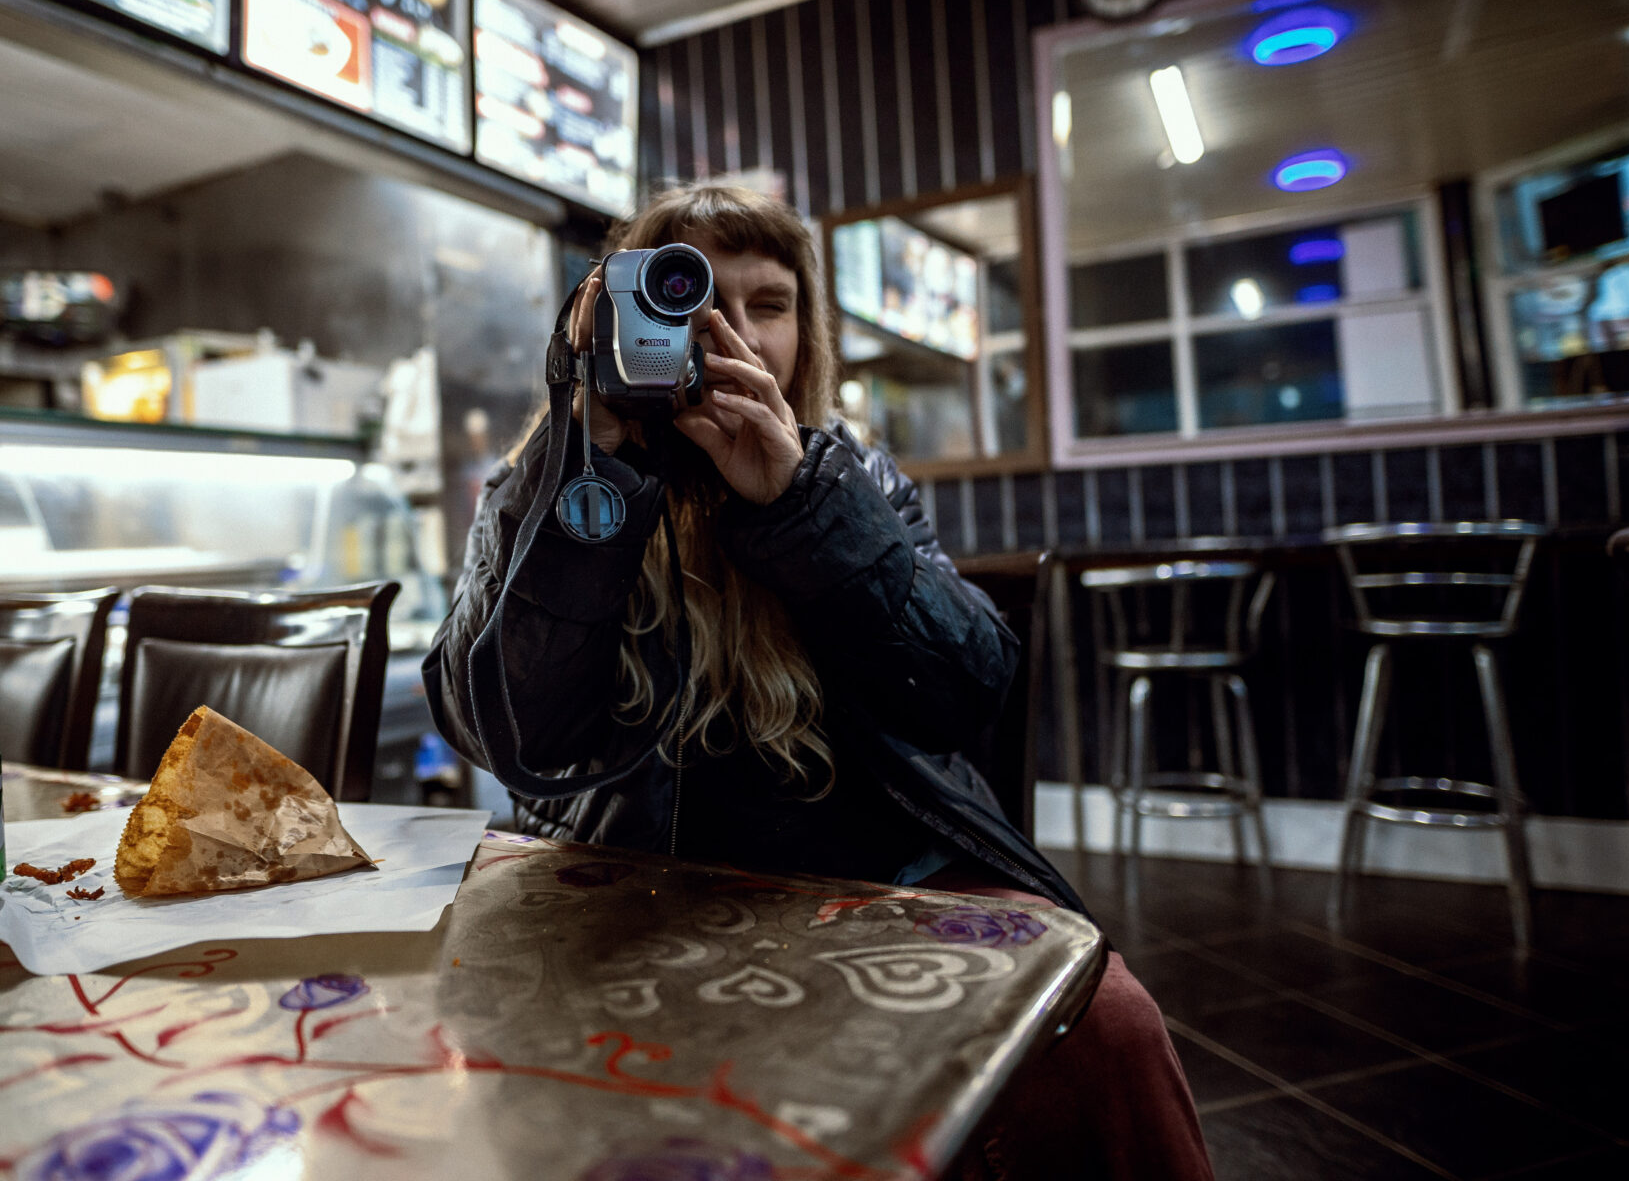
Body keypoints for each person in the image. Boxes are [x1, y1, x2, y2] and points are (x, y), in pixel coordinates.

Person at [423, 183, 1213, 1180]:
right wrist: (591, 470)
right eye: (690, 297)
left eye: (769, 303)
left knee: (1109, 1020)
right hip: (623, 879)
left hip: (867, 874)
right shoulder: (546, 483)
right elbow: (503, 731)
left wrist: (801, 501)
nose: (731, 331)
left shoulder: (860, 479)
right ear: (617, 316)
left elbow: (971, 692)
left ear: (810, 331)